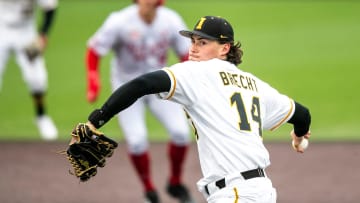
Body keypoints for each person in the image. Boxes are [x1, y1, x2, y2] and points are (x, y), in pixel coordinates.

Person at [80, 15, 311, 203]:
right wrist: (298, 138)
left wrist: (96, 120)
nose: (193, 48)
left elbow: (142, 84)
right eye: (192, 41)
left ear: (224, 48)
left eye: (203, 42)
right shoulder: (254, 84)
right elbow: (302, 114)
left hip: (235, 195)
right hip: (261, 192)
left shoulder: (197, 72)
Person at [84, 0, 194, 202]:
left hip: (159, 83)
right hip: (127, 87)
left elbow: (186, 54)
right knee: (137, 141)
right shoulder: (119, 21)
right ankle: (150, 190)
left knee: (181, 133)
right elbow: (94, 50)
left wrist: (192, 83)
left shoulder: (170, 20)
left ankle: (175, 184)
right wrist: (93, 81)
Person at [0, 0, 58, 140]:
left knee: (37, 78)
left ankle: (41, 116)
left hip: (26, 32)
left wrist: (43, 35)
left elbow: (50, 8)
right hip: (2, 29)